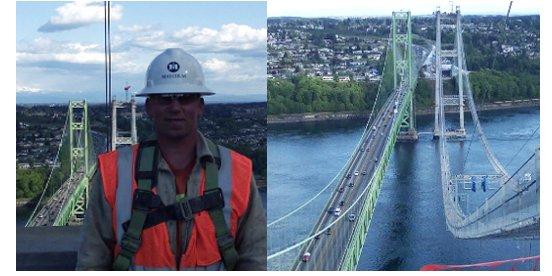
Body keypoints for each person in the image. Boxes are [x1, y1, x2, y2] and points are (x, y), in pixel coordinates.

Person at [76, 48, 267, 270]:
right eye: (165, 98)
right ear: (149, 108)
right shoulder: (113, 172)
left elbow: (256, 258)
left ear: (200, 107)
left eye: (185, 98)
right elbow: (91, 262)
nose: (175, 107)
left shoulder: (238, 171)